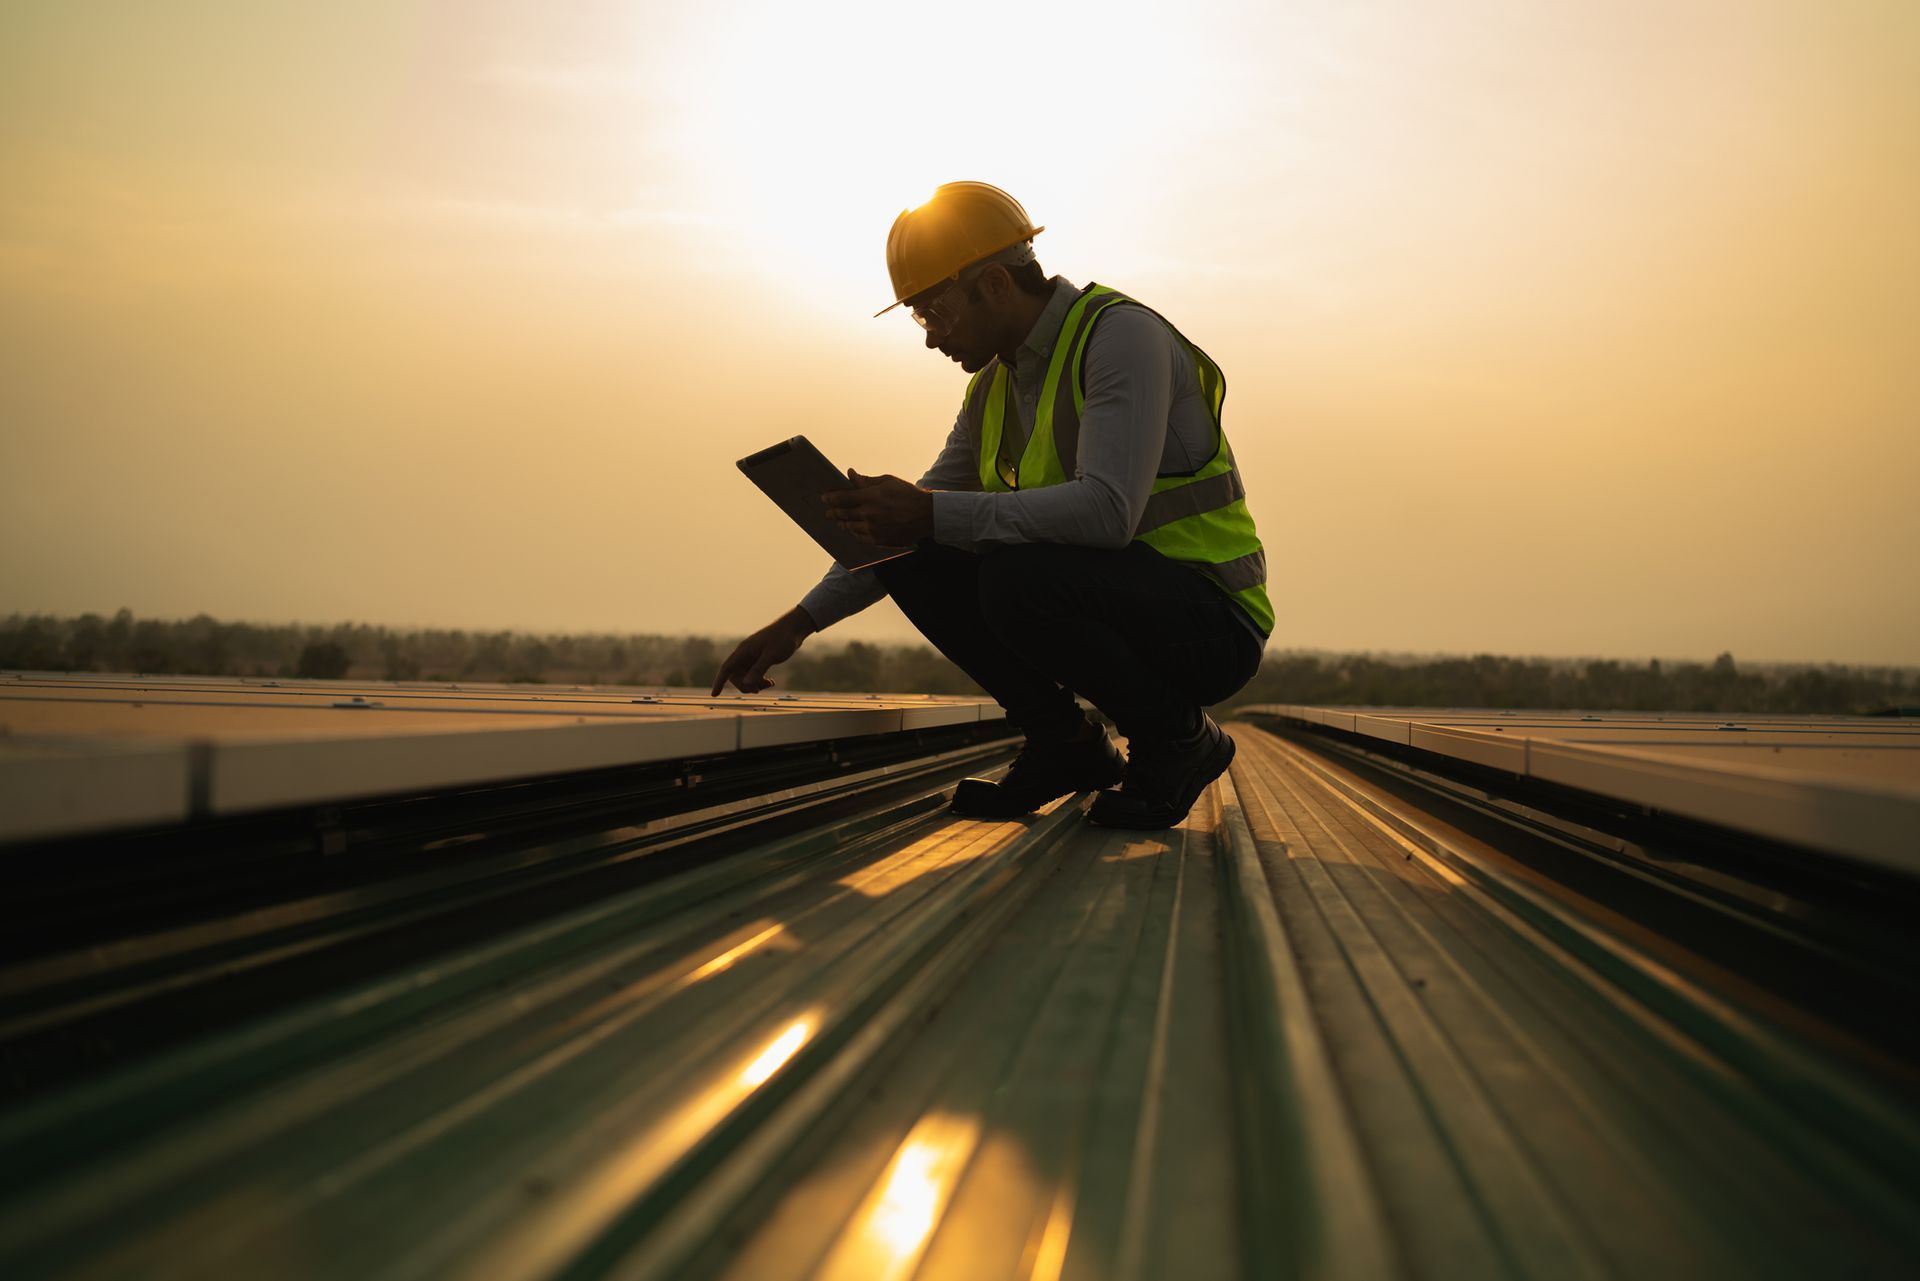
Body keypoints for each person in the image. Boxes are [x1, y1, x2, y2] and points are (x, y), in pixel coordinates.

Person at [712, 181, 1271, 829]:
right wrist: (798, 623)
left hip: (1210, 626)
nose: (929, 338)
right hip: (1119, 607)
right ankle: (1066, 745)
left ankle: (1178, 739)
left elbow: (1108, 513)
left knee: (1010, 575)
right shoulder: (994, 390)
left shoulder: (1120, 339)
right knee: (913, 548)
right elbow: (914, 526)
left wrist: (930, 514)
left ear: (998, 285)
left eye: (934, 313)